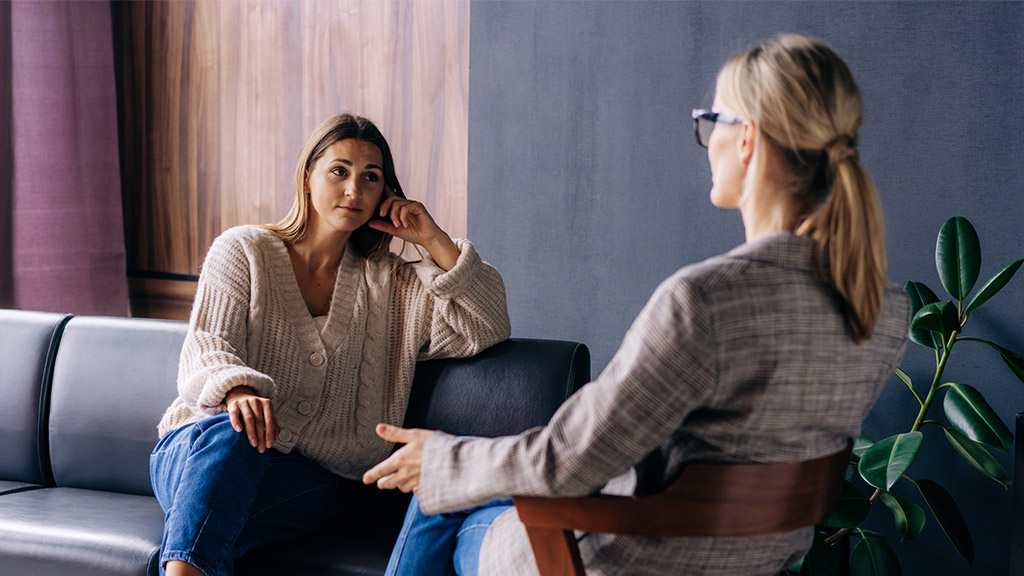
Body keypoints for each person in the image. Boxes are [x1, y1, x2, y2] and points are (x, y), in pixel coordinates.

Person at [362, 34, 911, 576]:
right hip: (745, 563)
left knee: (444, 501)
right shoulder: (881, 310)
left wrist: (440, 458)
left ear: (746, 139)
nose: (706, 141)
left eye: (710, 121)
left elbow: (567, 461)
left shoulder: (705, 301)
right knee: (460, 485)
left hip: (621, 561)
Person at [149, 113, 511, 576]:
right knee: (232, 435)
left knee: (217, 524)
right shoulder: (244, 250)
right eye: (339, 171)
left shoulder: (393, 286)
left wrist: (433, 240)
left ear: (387, 195)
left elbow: (487, 323)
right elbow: (206, 342)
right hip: (198, 448)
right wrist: (236, 390)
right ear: (307, 178)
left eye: (371, 179)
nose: (354, 191)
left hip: (306, 483)